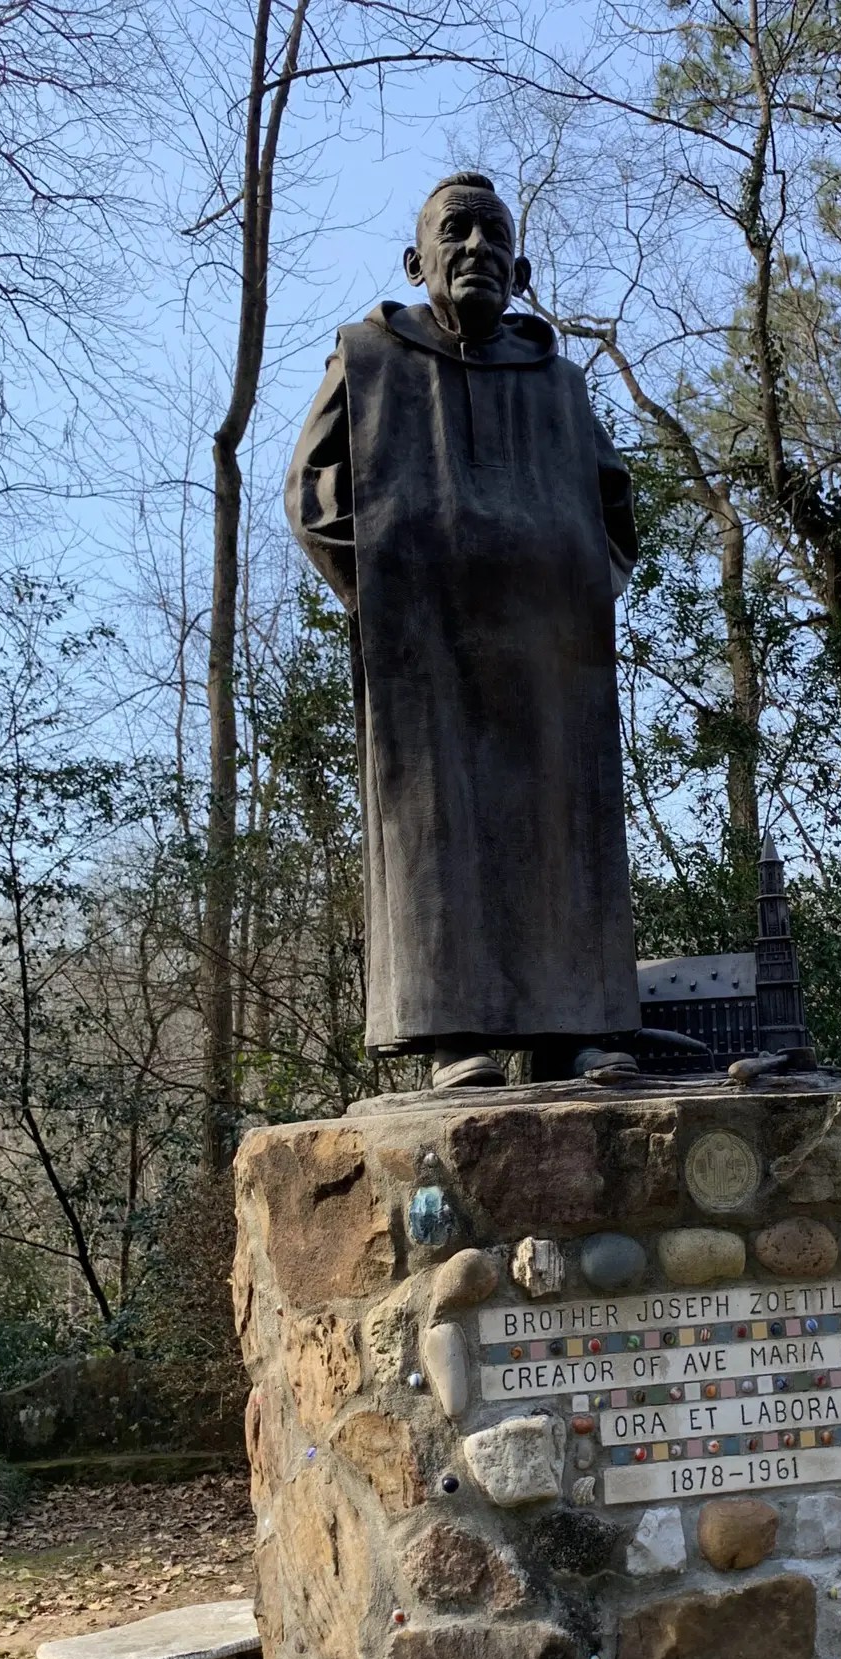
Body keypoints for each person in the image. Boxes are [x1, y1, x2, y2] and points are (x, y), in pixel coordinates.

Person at [285, 172, 643, 1089]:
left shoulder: (561, 387)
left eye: (494, 234)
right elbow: (313, 492)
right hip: (431, 654)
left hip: (548, 659)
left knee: (562, 826)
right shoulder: (368, 360)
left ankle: (573, 1031)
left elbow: (615, 510)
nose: (477, 246)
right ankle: (458, 1039)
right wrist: (396, 593)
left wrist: (562, 592)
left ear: (519, 269)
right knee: (439, 829)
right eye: (457, 230)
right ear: (418, 260)